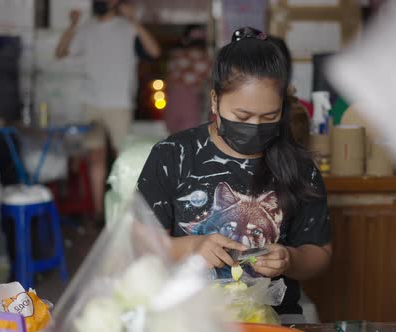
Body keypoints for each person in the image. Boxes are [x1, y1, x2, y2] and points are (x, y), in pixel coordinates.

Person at [137, 27, 331, 321]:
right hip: (188, 319)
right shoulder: (172, 155)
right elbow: (139, 243)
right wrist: (191, 246)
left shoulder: (299, 167)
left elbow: (320, 253)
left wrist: (290, 259)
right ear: (215, 101)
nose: (255, 126)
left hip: (273, 321)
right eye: (242, 117)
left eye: (269, 117)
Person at [55, 0, 160, 222]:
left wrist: (133, 20)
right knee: (96, 157)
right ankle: (98, 214)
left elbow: (154, 51)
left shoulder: (127, 26)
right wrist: (73, 24)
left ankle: (124, 212)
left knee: (123, 158)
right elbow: (60, 52)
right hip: (92, 102)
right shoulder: (87, 27)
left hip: (119, 103)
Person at [165, 24, 211, 134]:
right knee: (188, 134)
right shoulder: (205, 59)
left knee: (174, 132)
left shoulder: (176, 55)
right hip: (190, 97)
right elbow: (212, 82)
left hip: (173, 96)